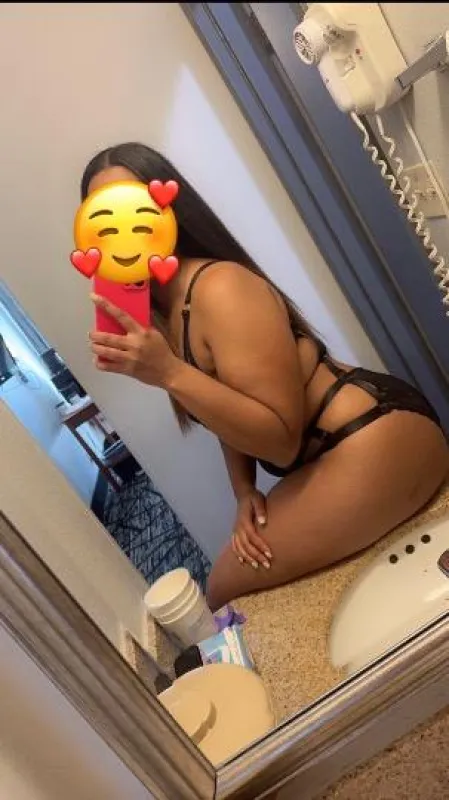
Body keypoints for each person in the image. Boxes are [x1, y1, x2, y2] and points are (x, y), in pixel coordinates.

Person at [82, 142, 449, 612]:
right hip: (333, 448)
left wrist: (169, 373)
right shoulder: (163, 309)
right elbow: (225, 404)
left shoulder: (220, 287)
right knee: (231, 582)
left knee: (221, 588)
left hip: (375, 435)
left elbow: (280, 442)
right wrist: (243, 492)